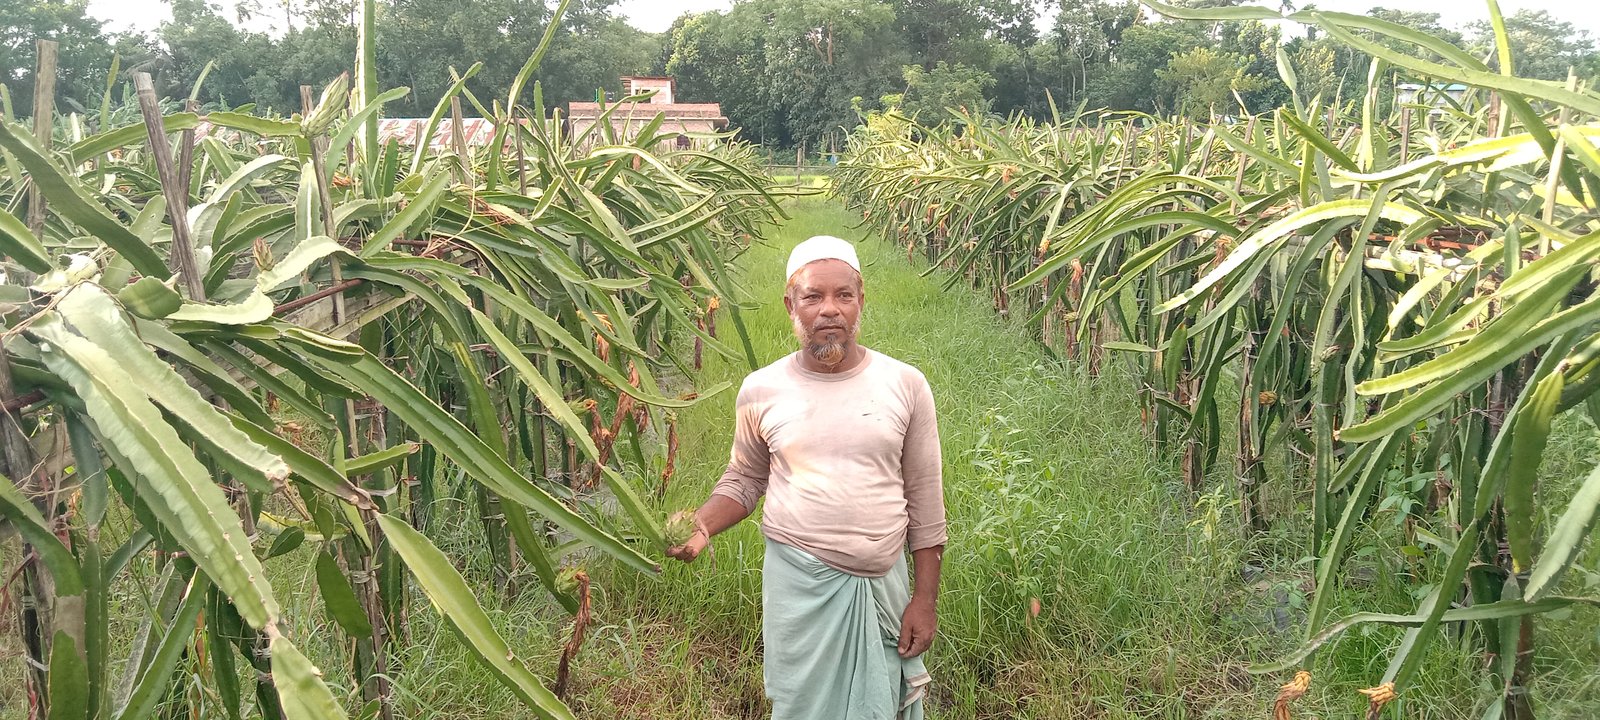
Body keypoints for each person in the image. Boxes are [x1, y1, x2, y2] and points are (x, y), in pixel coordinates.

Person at [666, 235, 947, 720]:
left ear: (862, 299)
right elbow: (745, 478)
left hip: (882, 586)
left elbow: (925, 500)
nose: (829, 310)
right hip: (799, 587)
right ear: (790, 304)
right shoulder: (762, 389)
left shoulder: (905, 384)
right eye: (813, 296)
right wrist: (703, 524)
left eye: (844, 295)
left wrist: (924, 600)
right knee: (801, 706)